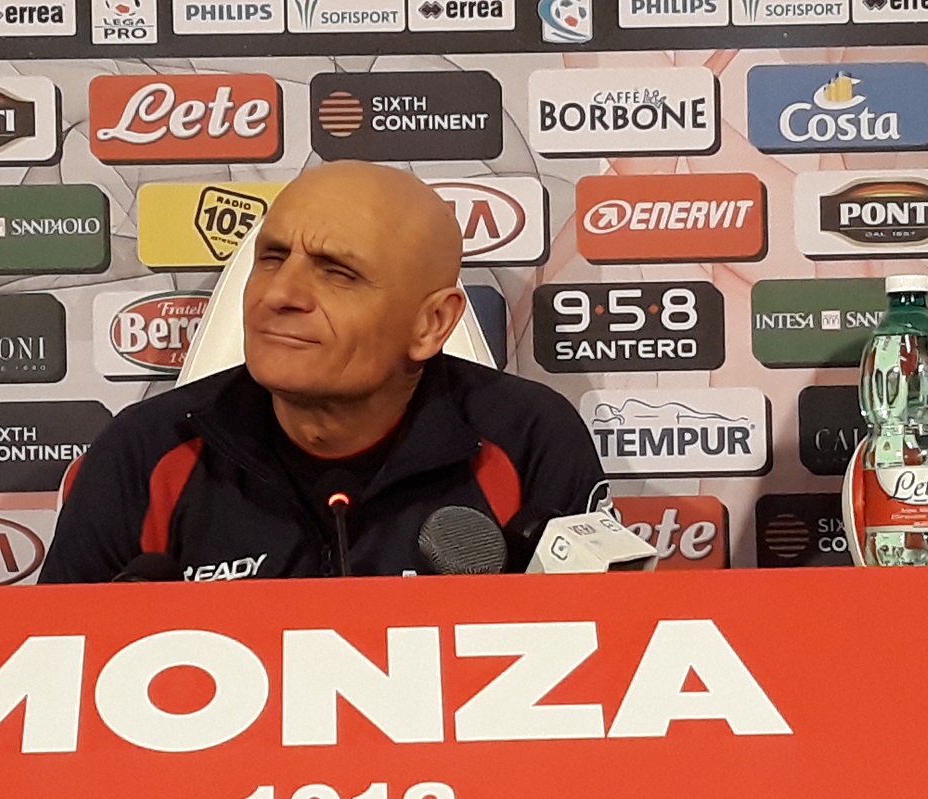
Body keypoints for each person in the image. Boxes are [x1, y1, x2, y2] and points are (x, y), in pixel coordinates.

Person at [39, 161, 606, 583]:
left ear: (431, 323)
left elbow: (601, 660)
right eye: (271, 258)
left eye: (337, 273)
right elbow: (56, 671)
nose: (279, 294)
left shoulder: (528, 439)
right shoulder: (146, 450)